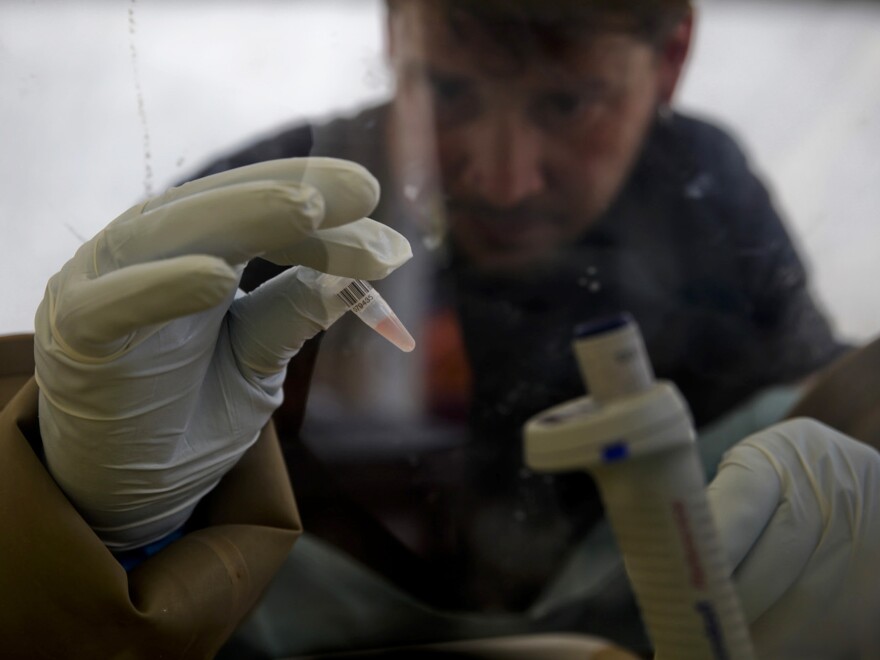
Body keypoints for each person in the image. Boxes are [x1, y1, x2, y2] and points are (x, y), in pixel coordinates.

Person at [18, 0, 880, 658]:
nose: (502, 179)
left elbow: (810, 399)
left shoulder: (703, 184)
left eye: (570, 103)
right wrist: (109, 528)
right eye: (450, 91)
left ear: (673, 58)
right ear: (394, 35)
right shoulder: (262, 217)